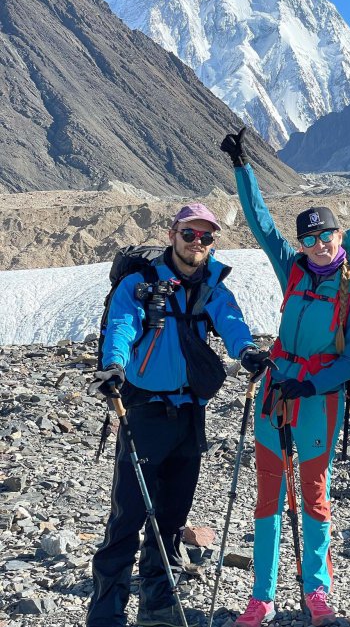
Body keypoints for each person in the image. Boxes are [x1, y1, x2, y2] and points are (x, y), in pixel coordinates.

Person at [220, 129, 350, 627]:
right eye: (308, 238)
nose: (316, 245)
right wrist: (243, 168)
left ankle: (317, 591)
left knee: (313, 491)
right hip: (276, 390)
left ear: (339, 237)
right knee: (268, 490)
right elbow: (261, 225)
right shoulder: (292, 269)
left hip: (319, 397)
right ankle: (262, 596)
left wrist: (308, 384)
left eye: (324, 236)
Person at [87, 202, 269, 627]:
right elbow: (123, 327)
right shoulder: (140, 284)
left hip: (190, 417)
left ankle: (158, 606)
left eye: (206, 236)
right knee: (128, 516)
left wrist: (248, 353)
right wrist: (113, 365)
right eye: (190, 234)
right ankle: (105, 614)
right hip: (146, 413)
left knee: (170, 516)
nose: (198, 243)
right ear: (173, 234)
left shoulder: (212, 286)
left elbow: (232, 323)